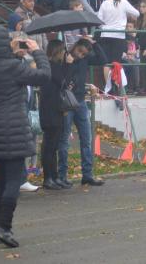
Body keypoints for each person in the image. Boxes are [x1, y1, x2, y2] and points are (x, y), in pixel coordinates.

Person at [0, 25, 51, 247]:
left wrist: (13, 53)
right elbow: (44, 76)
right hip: (12, 129)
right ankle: (4, 227)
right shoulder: (13, 66)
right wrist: (37, 51)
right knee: (13, 181)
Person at [58, 38, 107, 187]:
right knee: (64, 140)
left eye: (84, 54)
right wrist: (69, 64)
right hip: (67, 102)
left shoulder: (85, 59)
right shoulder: (65, 58)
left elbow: (102, 60)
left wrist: (94, 43)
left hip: (80, 101)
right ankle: (62, 175)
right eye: (79, 51)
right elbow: (62, 80)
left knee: (87, 139)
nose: (81, 55)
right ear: (75, 47)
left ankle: (87, 174)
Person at [40, 41, 70, 190]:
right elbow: (63, 82)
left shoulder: (52, 66)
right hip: (50, 108)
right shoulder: (53, 67)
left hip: (54, 108)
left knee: (54, 145)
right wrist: (67, 65)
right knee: (49, 145)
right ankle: (48, 177)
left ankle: (54, 175)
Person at [97, 0, 139, 65]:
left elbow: (99, 20)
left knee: (106, 62)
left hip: (105, 34)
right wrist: (126, 14)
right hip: (119, 36)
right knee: (116, 63)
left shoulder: (105, 2)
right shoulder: (124, 2)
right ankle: (115, 78)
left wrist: (104, 28)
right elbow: (137, 13)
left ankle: (108, 77)